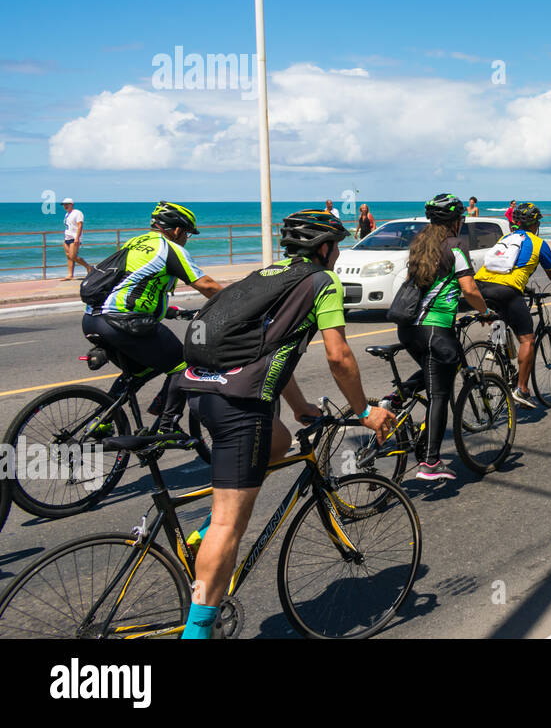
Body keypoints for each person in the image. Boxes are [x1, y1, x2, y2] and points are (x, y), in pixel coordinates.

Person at [177, 209, 394, 638]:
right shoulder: (321, 283)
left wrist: (296, 405)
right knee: (229, 524)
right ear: (326, 248)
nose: (338, 255)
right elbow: (338, 356)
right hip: (240, 407)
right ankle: (197, 632)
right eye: (338, 247)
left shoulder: (266, 276)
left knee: (279, 442)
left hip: (201, 394)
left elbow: (270, 348)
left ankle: (203, 537)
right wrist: (365, 412)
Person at [82, 201, 224, 424]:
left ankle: (101, 422)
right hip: (123, 322)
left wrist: (171, 312)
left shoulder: (136, 242)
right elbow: (207, 286)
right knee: (186, 364)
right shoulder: (170, 249)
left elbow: (130, 286)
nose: (187, 239)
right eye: (187, 233)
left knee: (140, 371)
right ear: (177, 230)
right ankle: (166, 427)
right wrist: (240, 305)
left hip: (92, 319)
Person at [398, 194, 490, 480]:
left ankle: (394, 398)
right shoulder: (456, 247)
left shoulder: (421, 246)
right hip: (435, 330)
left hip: (408, 328)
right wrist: (485, 312)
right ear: (456, 221)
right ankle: (430, 462)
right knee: (440, 393)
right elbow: (470, 289)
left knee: (432, 373)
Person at [473, 201, 551, 409]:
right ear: (535, 224)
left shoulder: (506, 238)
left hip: (481, 286)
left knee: (501, 315)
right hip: (506, 290)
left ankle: (495, 350)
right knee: (527, 339)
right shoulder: (538, 243)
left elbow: (504, 267)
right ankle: (521, 389)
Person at [61, 197, 92, 281]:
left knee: (73, 256)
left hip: (74, 238)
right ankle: (70, 275)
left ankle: (88, 267)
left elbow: (80, 225)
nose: (65, 206)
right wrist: (64, 239)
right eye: (64, 205)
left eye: (67, 204)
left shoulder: (77, 213)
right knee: (69, 257)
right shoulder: (67, 214)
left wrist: (77, 238)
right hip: (67, 237)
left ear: (71, 204)